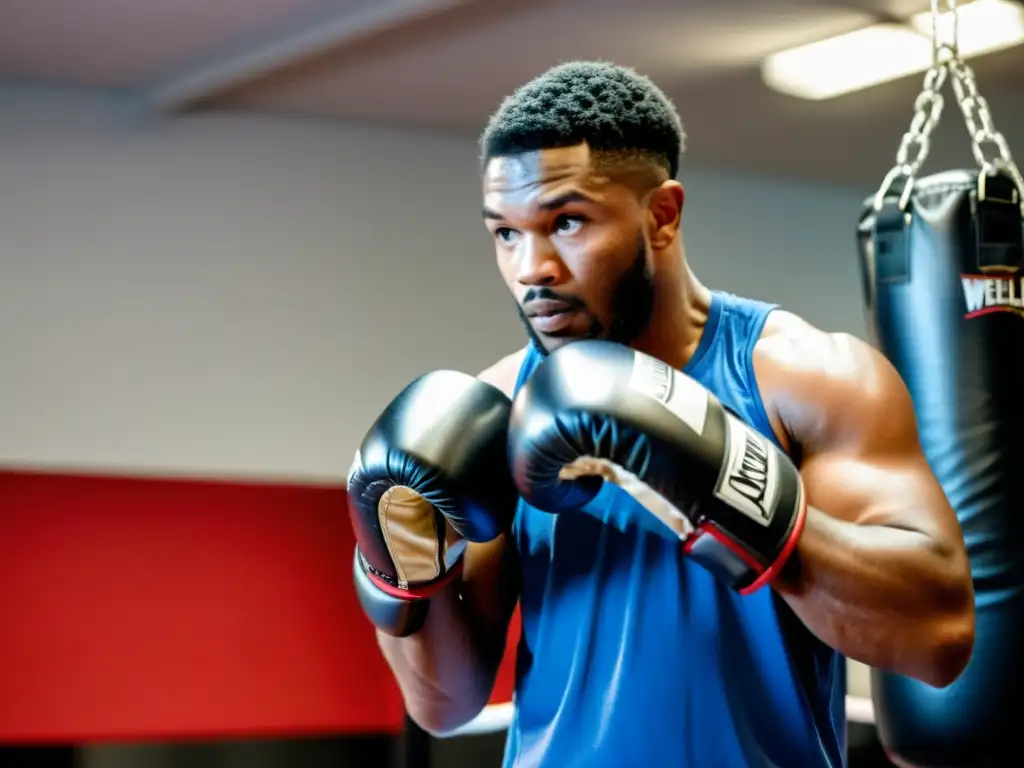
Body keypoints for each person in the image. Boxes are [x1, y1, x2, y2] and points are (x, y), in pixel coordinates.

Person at [346, 61, 976, 767]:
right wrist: (397, 572)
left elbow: (939, 638)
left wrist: (726, 490)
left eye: (567, 222)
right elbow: (442, 704)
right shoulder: (498, 412)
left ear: (663, 215)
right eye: (506, 234)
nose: (532, 267)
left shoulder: (804, 379)